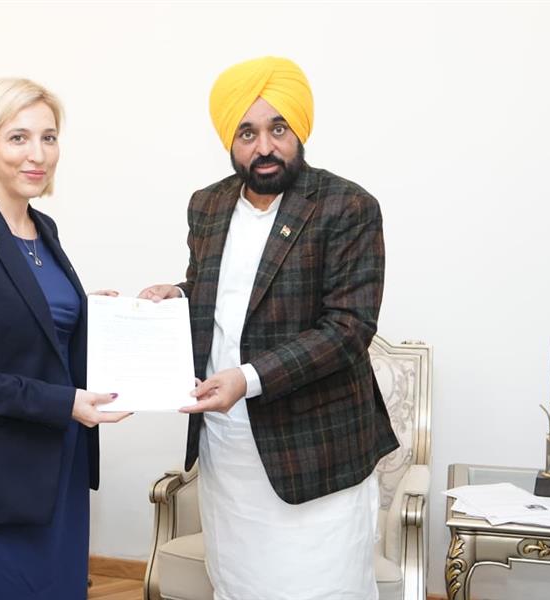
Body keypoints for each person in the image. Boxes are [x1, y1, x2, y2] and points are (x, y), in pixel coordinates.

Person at [139, 57, 399, 599]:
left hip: (315, 451)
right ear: (229, 139)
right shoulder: (207, 205)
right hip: (228, 448)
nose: (264, 147)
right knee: (238, 585)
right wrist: (177, 296)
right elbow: (218, 293)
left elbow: (348, 328)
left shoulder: (347, 206)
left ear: (298, 129)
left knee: (322, 588)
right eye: (247, 133)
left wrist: (248, 378)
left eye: (278, 129)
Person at [0, 78, 129, 600]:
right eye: (19, 138)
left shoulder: (45, 229)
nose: (38, 154)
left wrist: (97, 314)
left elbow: (35, 328)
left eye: (48, 138)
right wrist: (65, 404)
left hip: (61, 463)